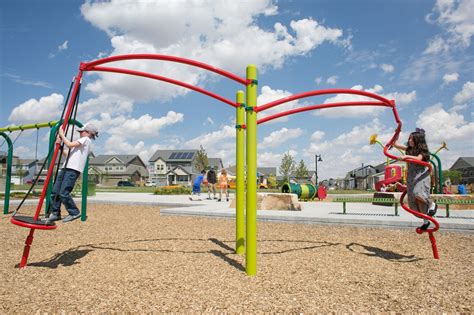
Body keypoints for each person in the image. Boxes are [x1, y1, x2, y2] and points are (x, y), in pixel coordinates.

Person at [48, 123, 98, 223]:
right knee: (55, 192)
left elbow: (69, 144)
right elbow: (67, 154)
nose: (79, 133)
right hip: (65, 168)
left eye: (81, 131)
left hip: (72, 170)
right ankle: (55, 213)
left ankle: (74, 212)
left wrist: (62, 135)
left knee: (63, 192)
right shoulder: (80, 145)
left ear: (88, 132)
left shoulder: (86, 140)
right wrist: (60, 145)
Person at [393, 128, 437, 230]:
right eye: (409, 139)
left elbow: (418, 159)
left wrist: (405, 157)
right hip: (411, 176)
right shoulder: (409, 149)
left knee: (418, 194)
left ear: (418, 141)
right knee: (414, 201)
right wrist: (398, 132)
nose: (409, 141)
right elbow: (395, 144)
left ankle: (431, 203)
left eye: (412, 139)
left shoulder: (423, 151)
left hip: (421, 176)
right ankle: (426, 221)